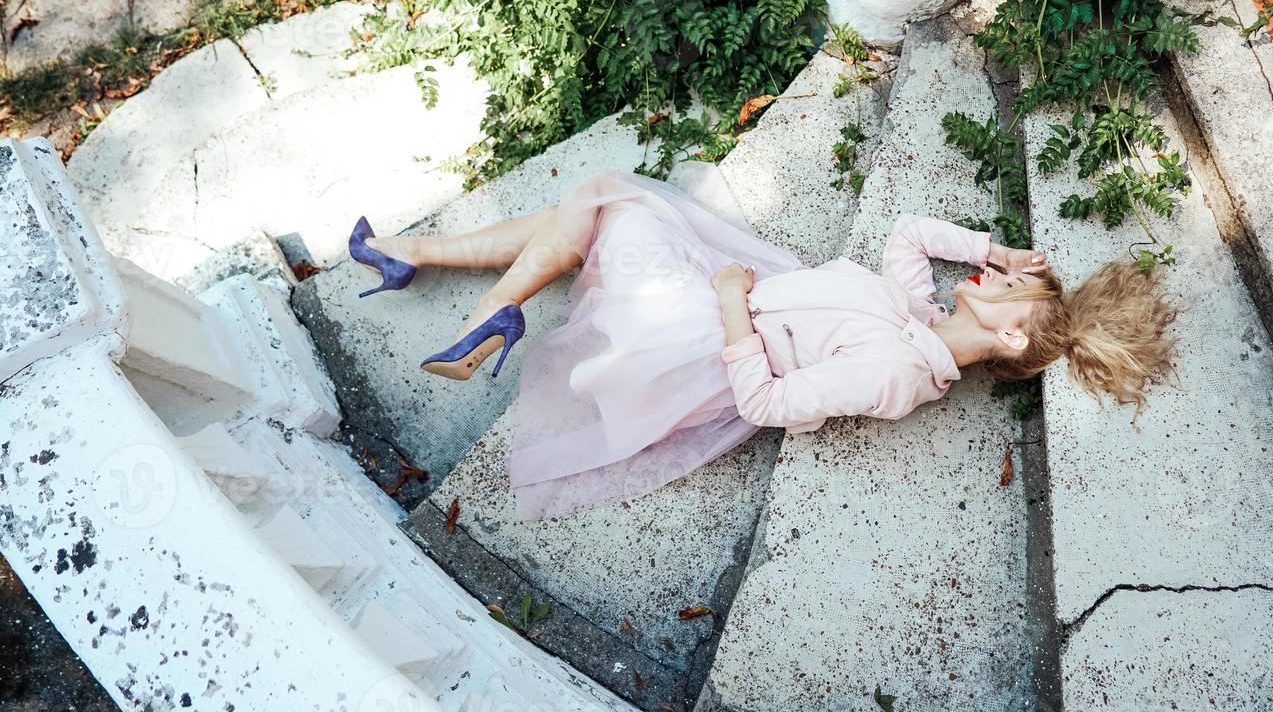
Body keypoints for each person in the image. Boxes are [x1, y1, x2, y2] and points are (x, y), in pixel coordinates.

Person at [349, 171, 1177, 518]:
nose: (995, 277)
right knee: (596, 216)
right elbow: (912, 232)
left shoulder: (898, 371)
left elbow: (767, 404)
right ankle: (414, 255)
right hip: (724, 298)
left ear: (1009, 332)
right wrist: (990, 251)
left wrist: (728, 301)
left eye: (1007, 291)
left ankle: (486, 311)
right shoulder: (916, 309)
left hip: (694, 344)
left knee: (611, 202)